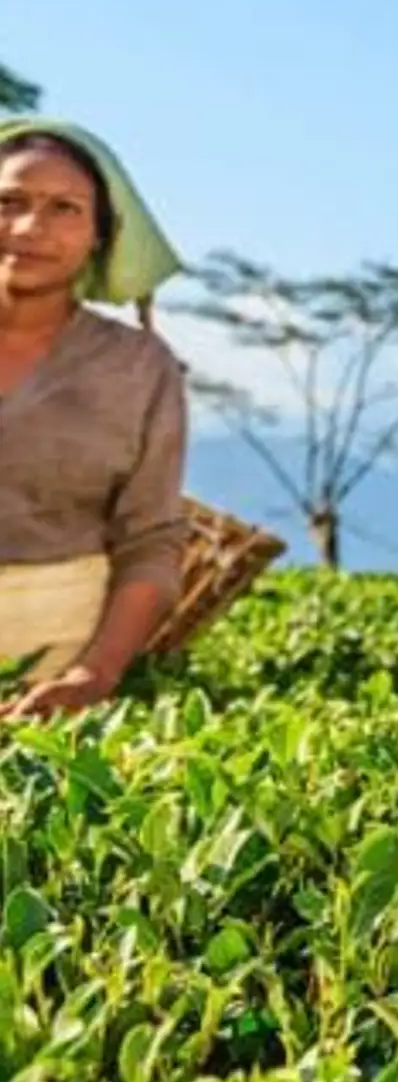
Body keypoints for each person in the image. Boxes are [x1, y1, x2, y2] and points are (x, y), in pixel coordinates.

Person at [0, 118, 189, 718]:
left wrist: (94, 674)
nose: (30, 228)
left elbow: (151, 542)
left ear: (101, 237)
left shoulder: (137, 368)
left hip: (47, 646)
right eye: (10, 202)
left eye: (65, 209)